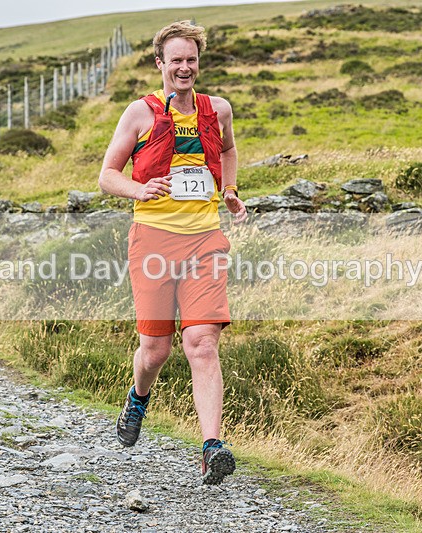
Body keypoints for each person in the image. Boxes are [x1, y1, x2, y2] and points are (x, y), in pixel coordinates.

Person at [98, 20, 247, 485]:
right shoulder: (139, 114)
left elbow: (228, 150)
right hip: (154, 241)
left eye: (191, 59)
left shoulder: (217, 109)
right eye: (176, 60)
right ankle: (138, 398)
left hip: (205, 239)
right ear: (159, 63)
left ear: (199, 63)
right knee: (156, 350)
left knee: (201, 343)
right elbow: (107, 175)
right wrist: (139, 190)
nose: (185, 67)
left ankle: (211, 447)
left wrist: (230, 188)